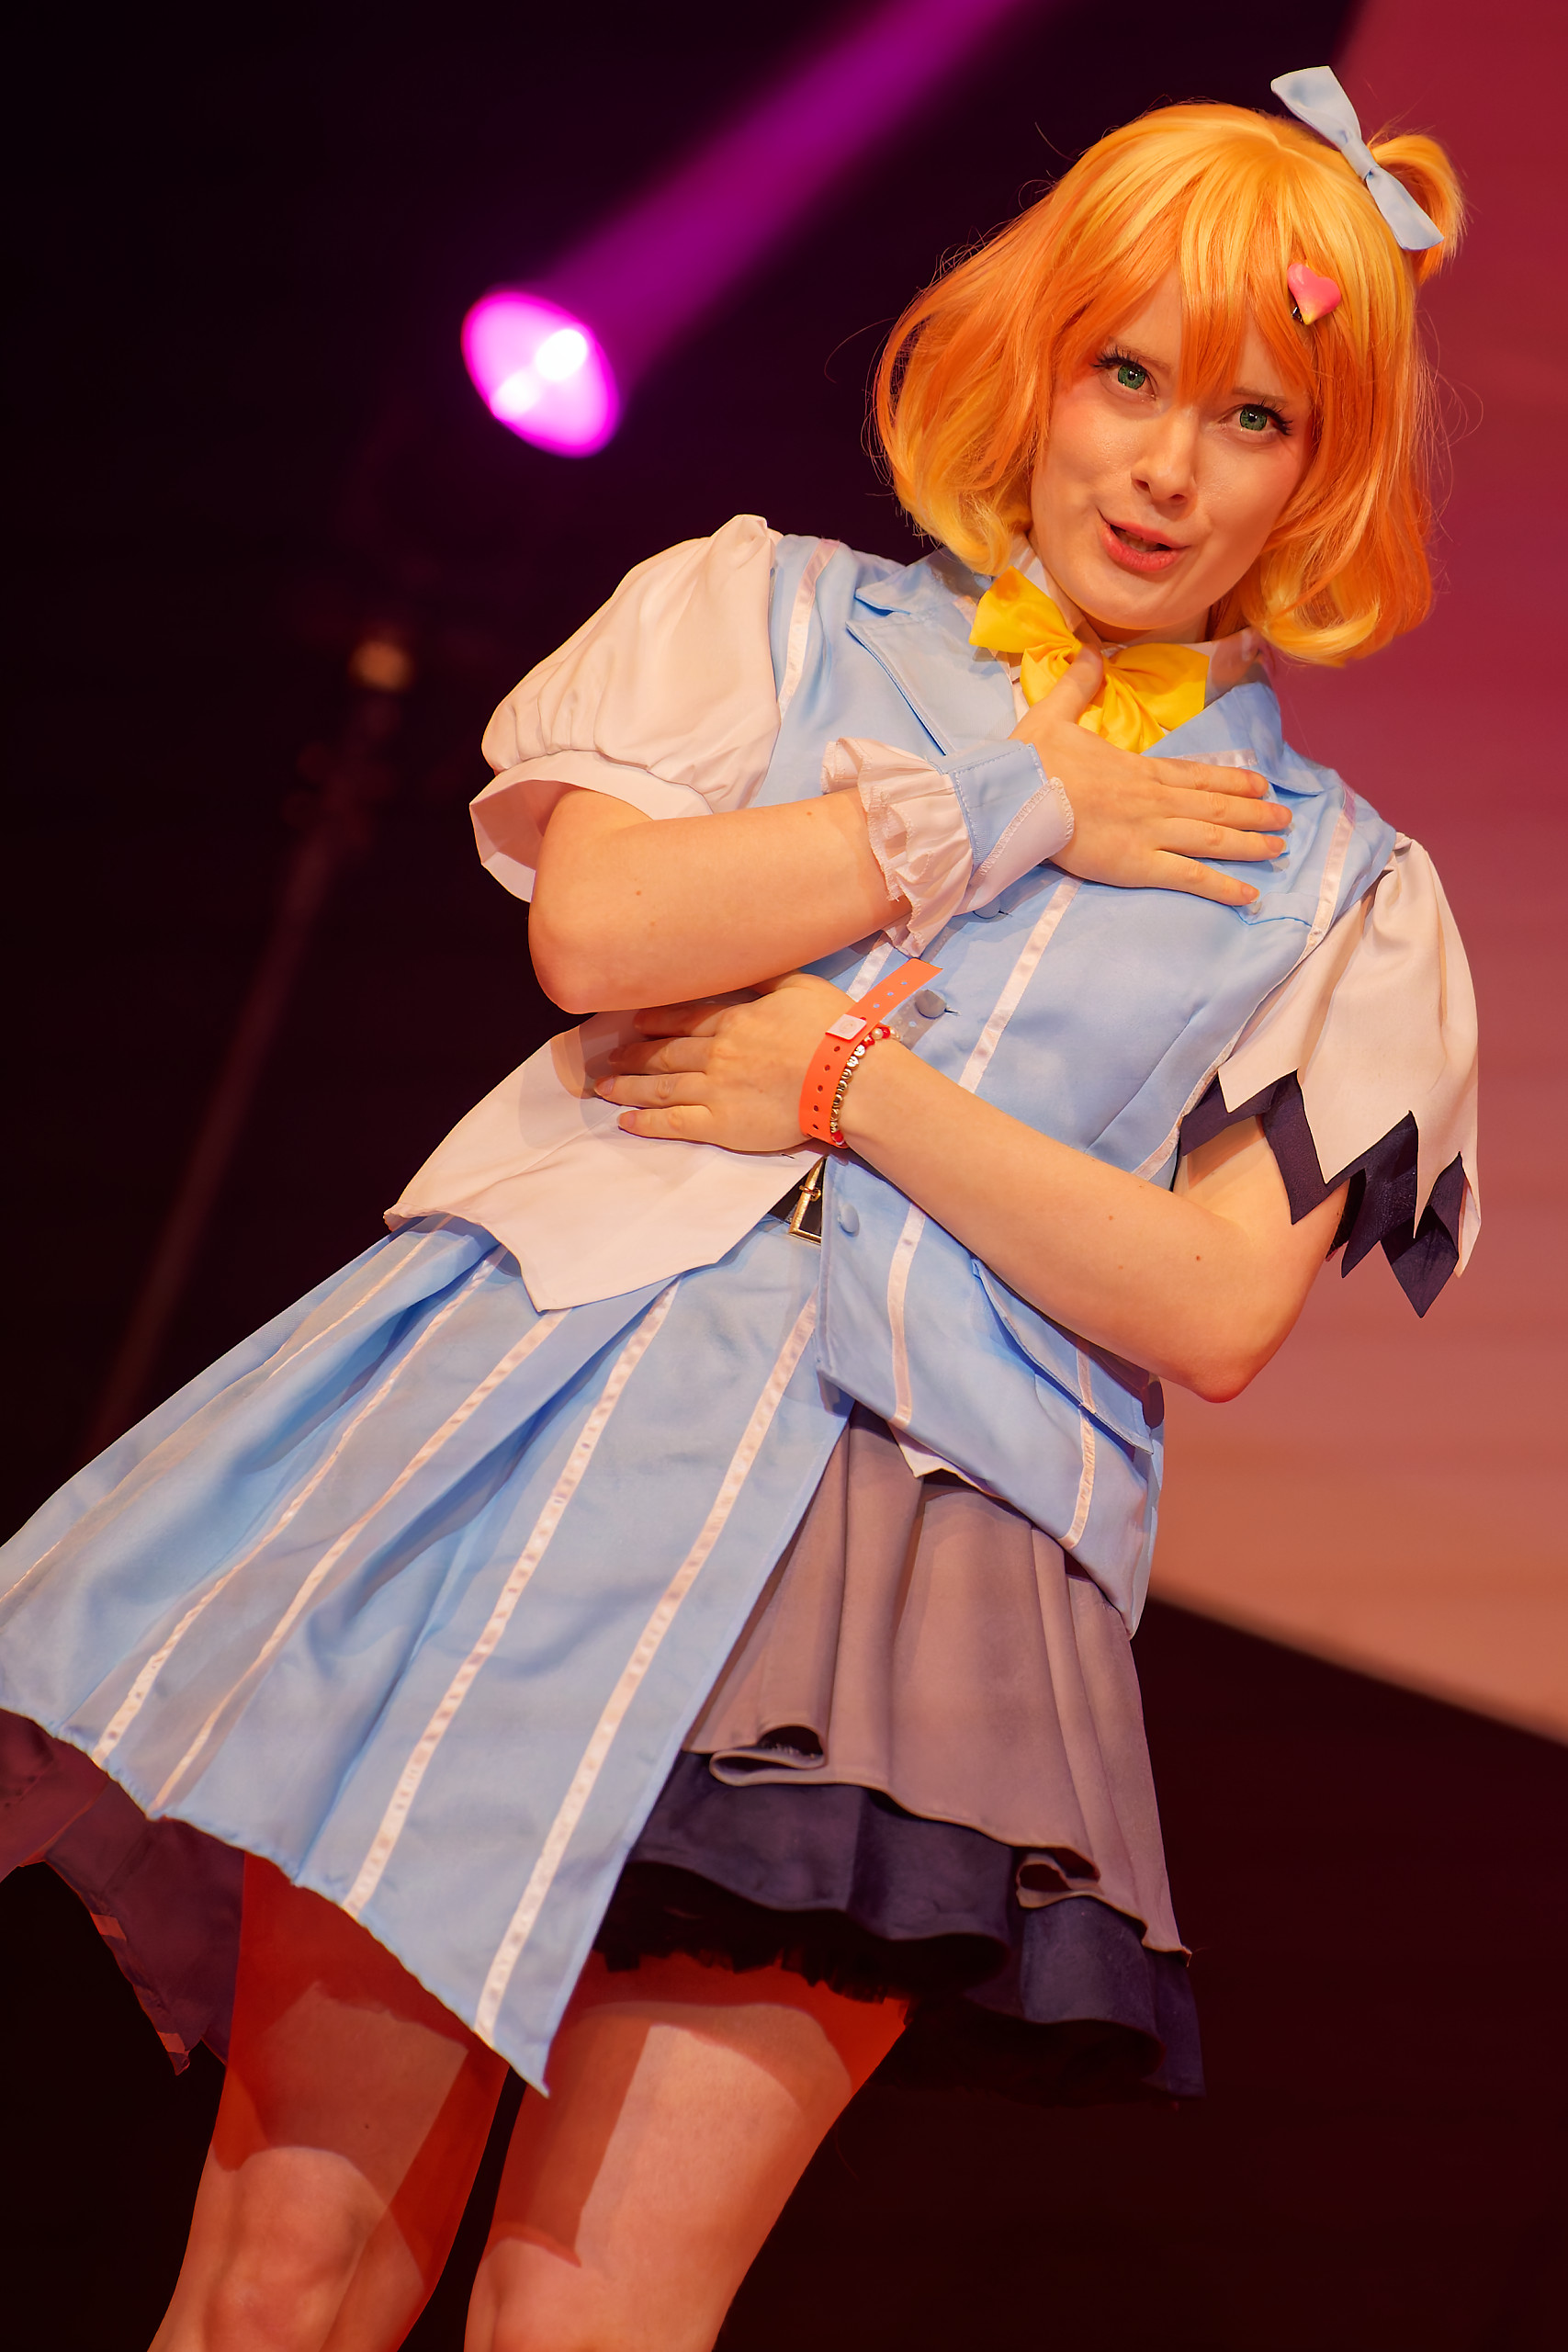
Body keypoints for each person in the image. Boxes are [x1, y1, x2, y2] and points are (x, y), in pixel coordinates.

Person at [0, 72, 1476, 2352]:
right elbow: (593, 933)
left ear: (1319, 472)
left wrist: (846, 1089)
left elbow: (1209, 1301)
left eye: (1250, 416)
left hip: (900, 1594)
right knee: (286, 2275)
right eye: (1125, 375)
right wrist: (1009, 799)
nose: (1167, 468)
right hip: (530, 1447)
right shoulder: (761, 615)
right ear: (1032, 363)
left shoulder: (1340, 886)